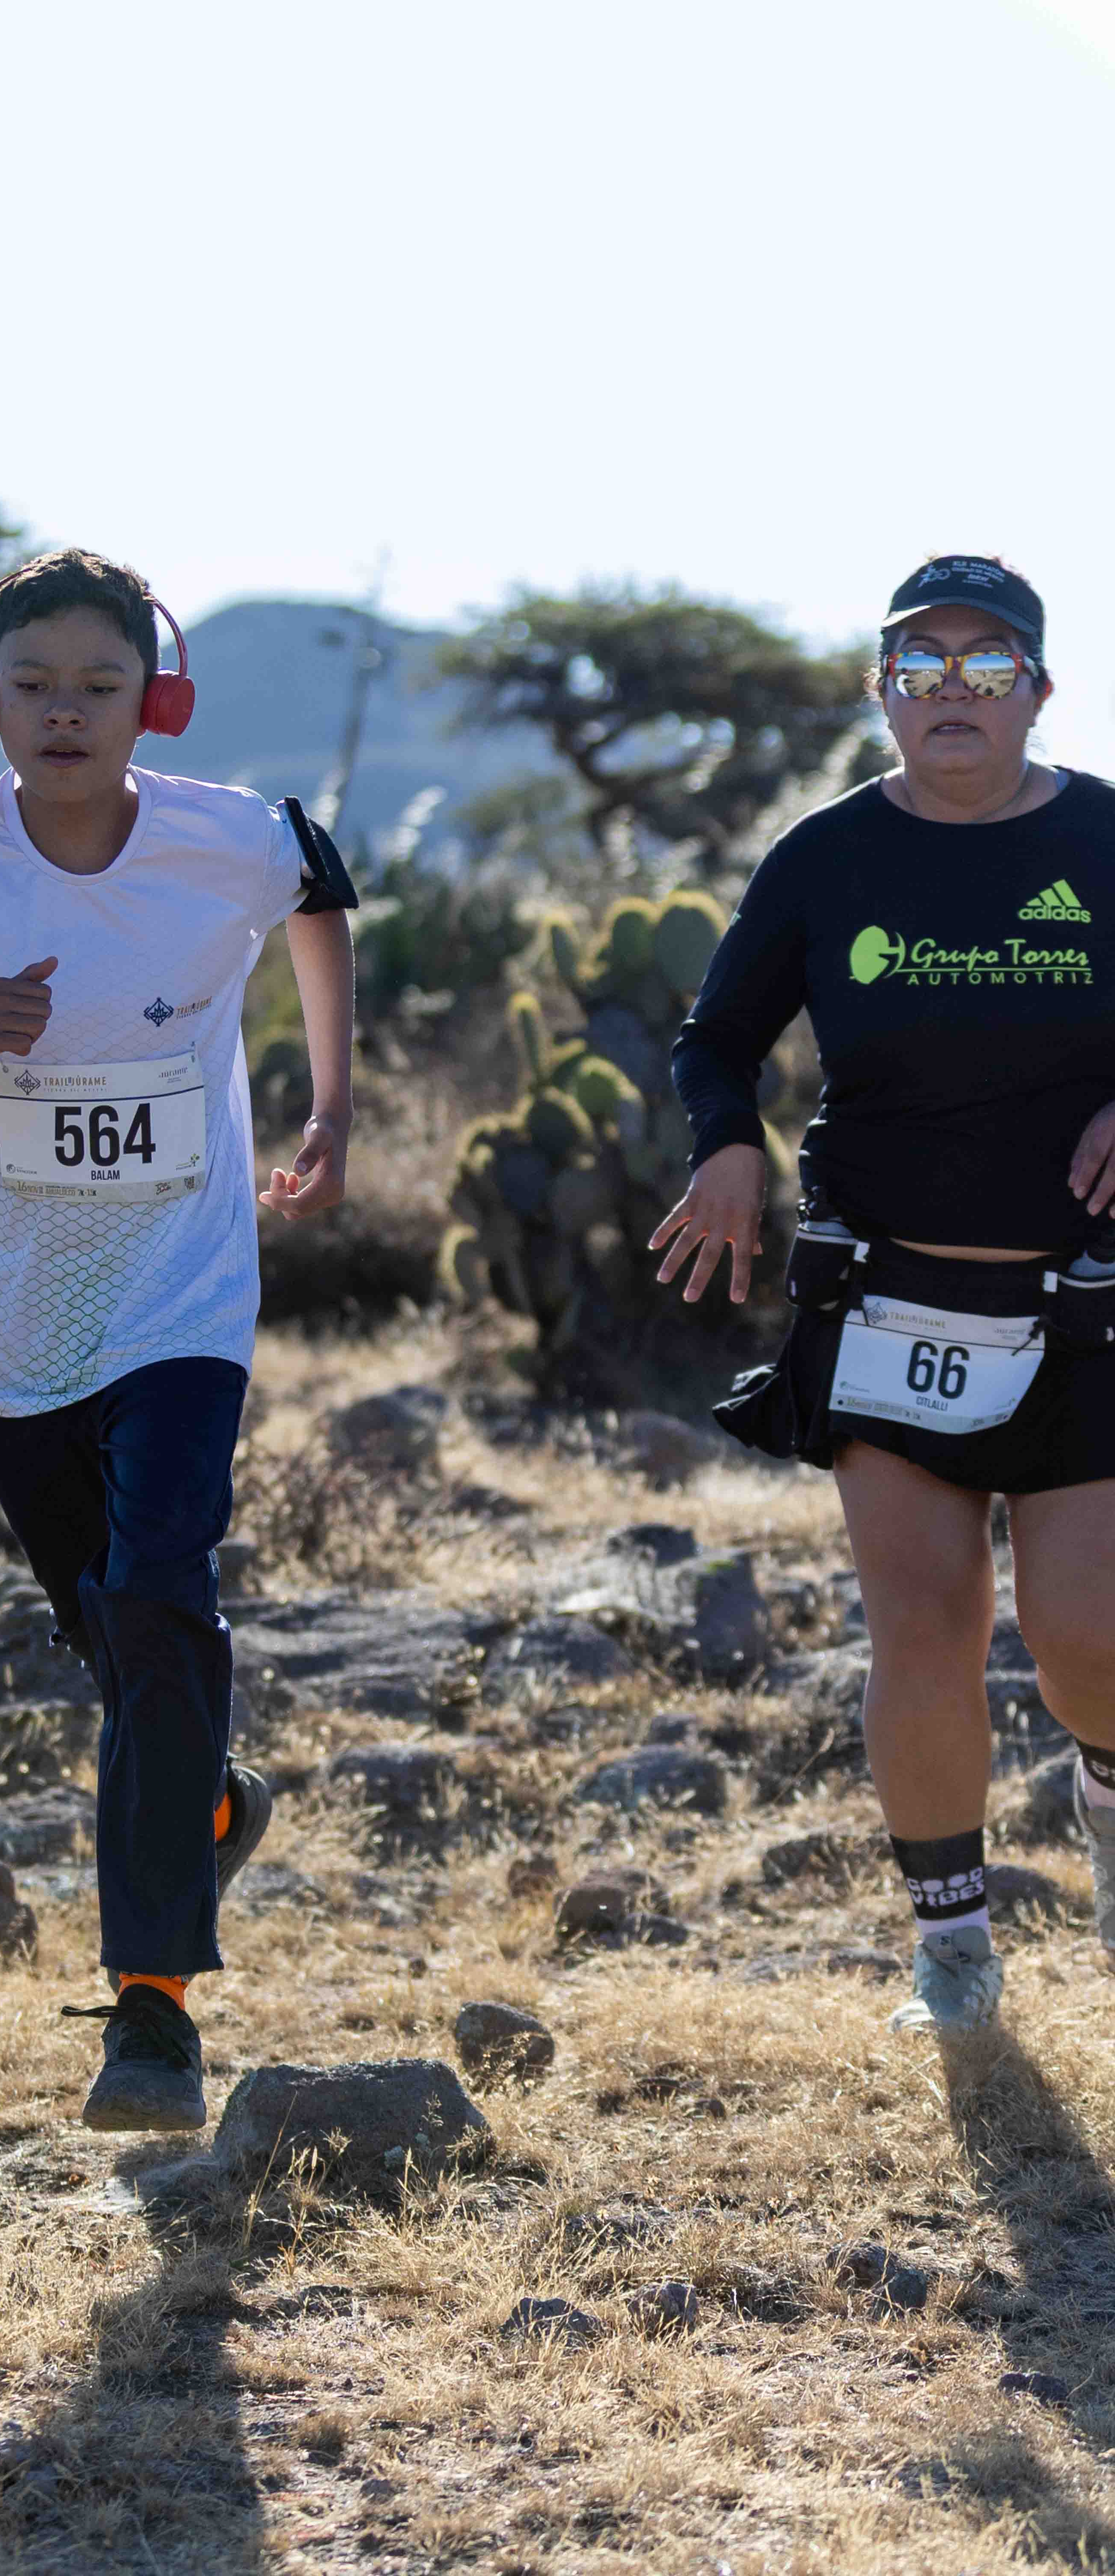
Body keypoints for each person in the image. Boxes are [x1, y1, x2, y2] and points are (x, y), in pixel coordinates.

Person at [0, 548, 356, 2128]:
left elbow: (319, 897)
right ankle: (205, 1806)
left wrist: (331, 1104)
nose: (65, 712)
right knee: (119, 1643)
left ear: (154, 699)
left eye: (101, 684)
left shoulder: (231, 837)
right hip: (16, 1320)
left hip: (182, 1295)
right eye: (31, 684)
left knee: (162, 1597)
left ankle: (151, 2016)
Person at [652, 552, 1115, 2035]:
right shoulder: (826, 855)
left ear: (1039, 690)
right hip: (888, 1300)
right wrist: (727, 1145)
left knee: (1089, 1640)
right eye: (922, 666)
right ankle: (954, 1954)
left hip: (1090, 1304)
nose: (953, 691)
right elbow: (715, 1037)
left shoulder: (1106, 837)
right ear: (882, 694)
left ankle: (1106, 1792)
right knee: (922, 1629)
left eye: (987, 665)